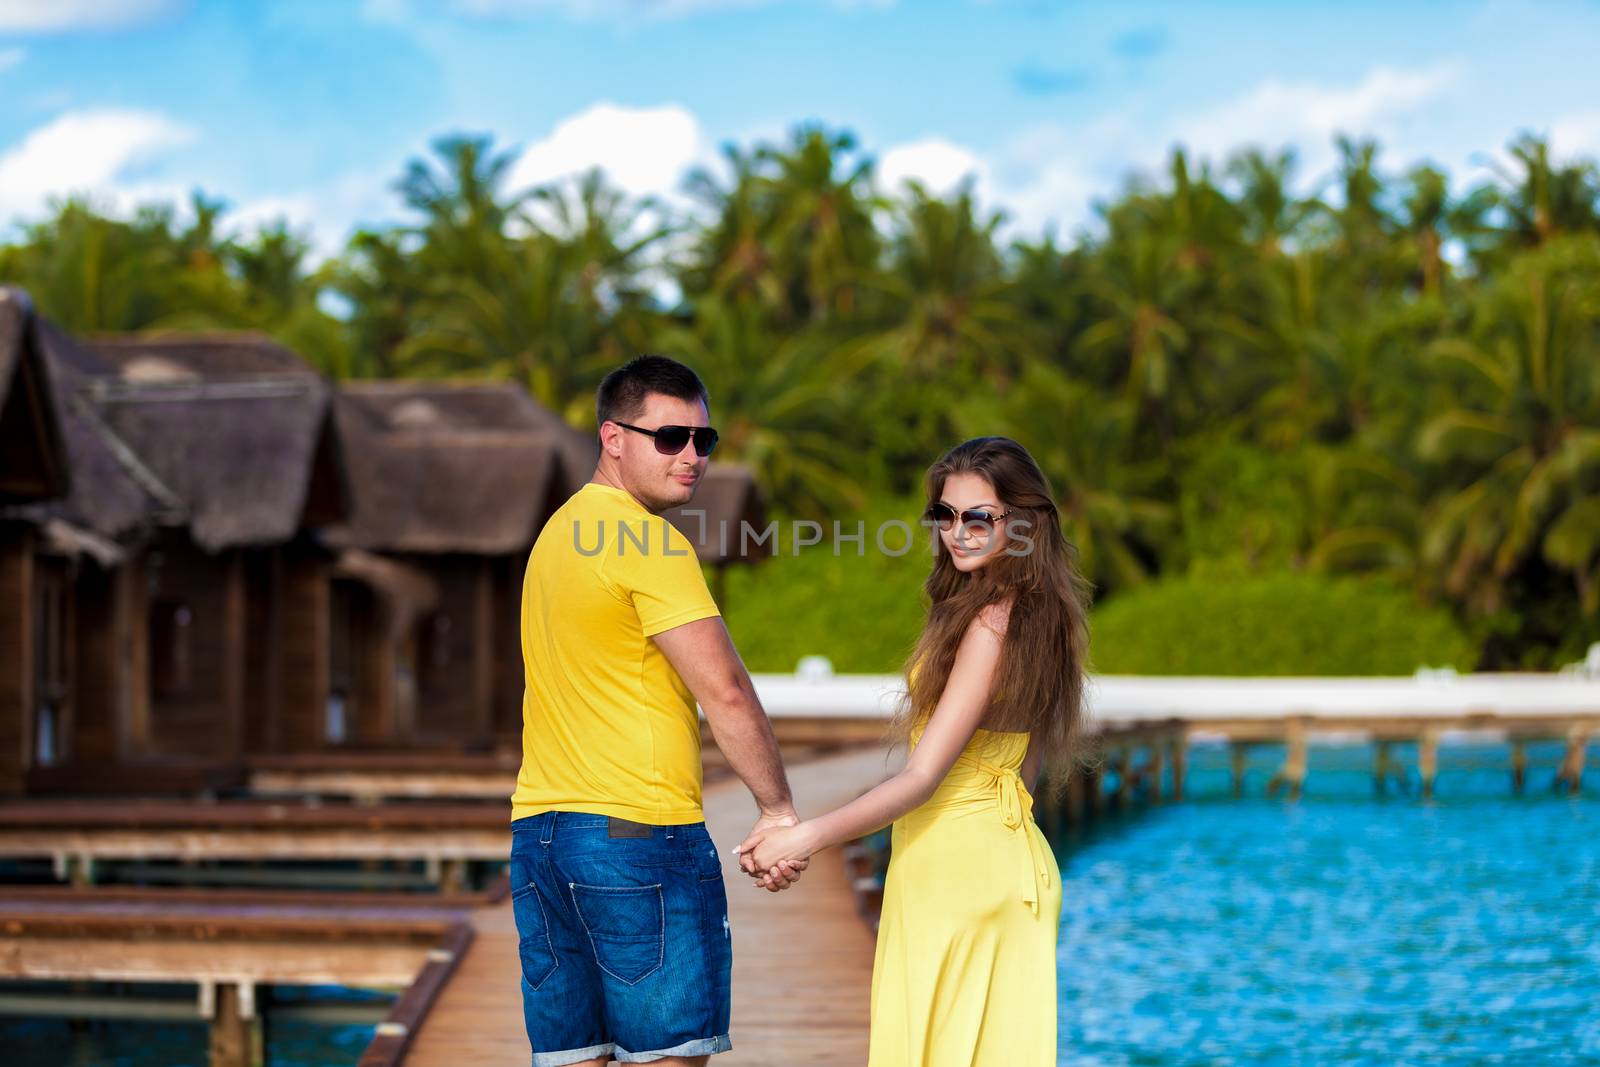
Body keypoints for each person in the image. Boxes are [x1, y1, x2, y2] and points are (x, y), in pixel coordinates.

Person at [736, 436, 1092, 1066]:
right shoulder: (1042, 617)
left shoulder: (990, 624)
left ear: (1023, 522)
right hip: (1006, 866)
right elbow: (1024, 772)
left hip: (955, 869)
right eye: (945, 515)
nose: (958, 532)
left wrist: (804, 837)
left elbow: (924, 776)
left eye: (978, 516)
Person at [510, 355, 803, 1067]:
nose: (692, 456)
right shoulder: (647, 540)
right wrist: (778, 811)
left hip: (541, 837)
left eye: (705, 440)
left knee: (575, 1055)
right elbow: (725, 689)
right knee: (670, 1056)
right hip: (635, 831)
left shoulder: (556, 535)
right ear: (613, 437)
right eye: (670, 437)